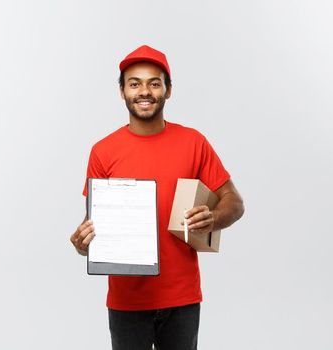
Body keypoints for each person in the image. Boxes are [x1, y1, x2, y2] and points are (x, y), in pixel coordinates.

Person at [69, 45, 245, 350]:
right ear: (122, 91)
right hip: (127, 300)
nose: (144, 91)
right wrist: (82, 244)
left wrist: (213, 217)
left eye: (154, 82)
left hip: (181, 298)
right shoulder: (103, 151)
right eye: (134, 83)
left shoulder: (193, 142)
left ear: (168, 90)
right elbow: (94, 222)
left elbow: (234, 202)